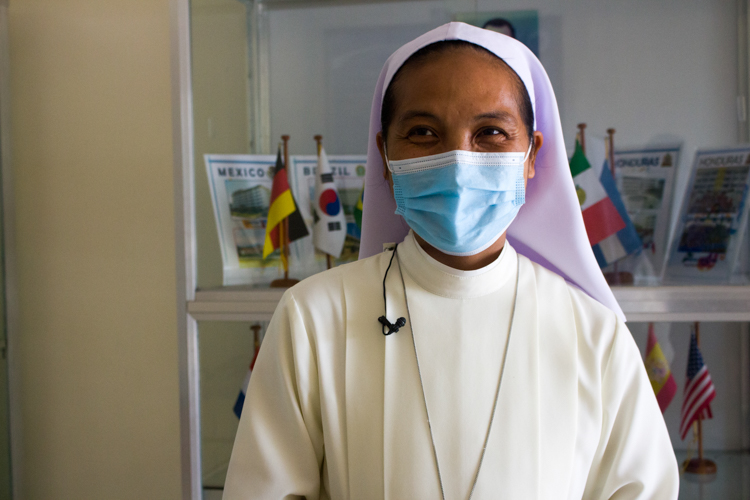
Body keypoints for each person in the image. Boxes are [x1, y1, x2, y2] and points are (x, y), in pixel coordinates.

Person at [223, 22, 678, 500]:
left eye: (490, 133)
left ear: (531, 156)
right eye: (423, 132)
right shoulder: (312, 319)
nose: (458, 161)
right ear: (384, 153)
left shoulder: (595, 335)